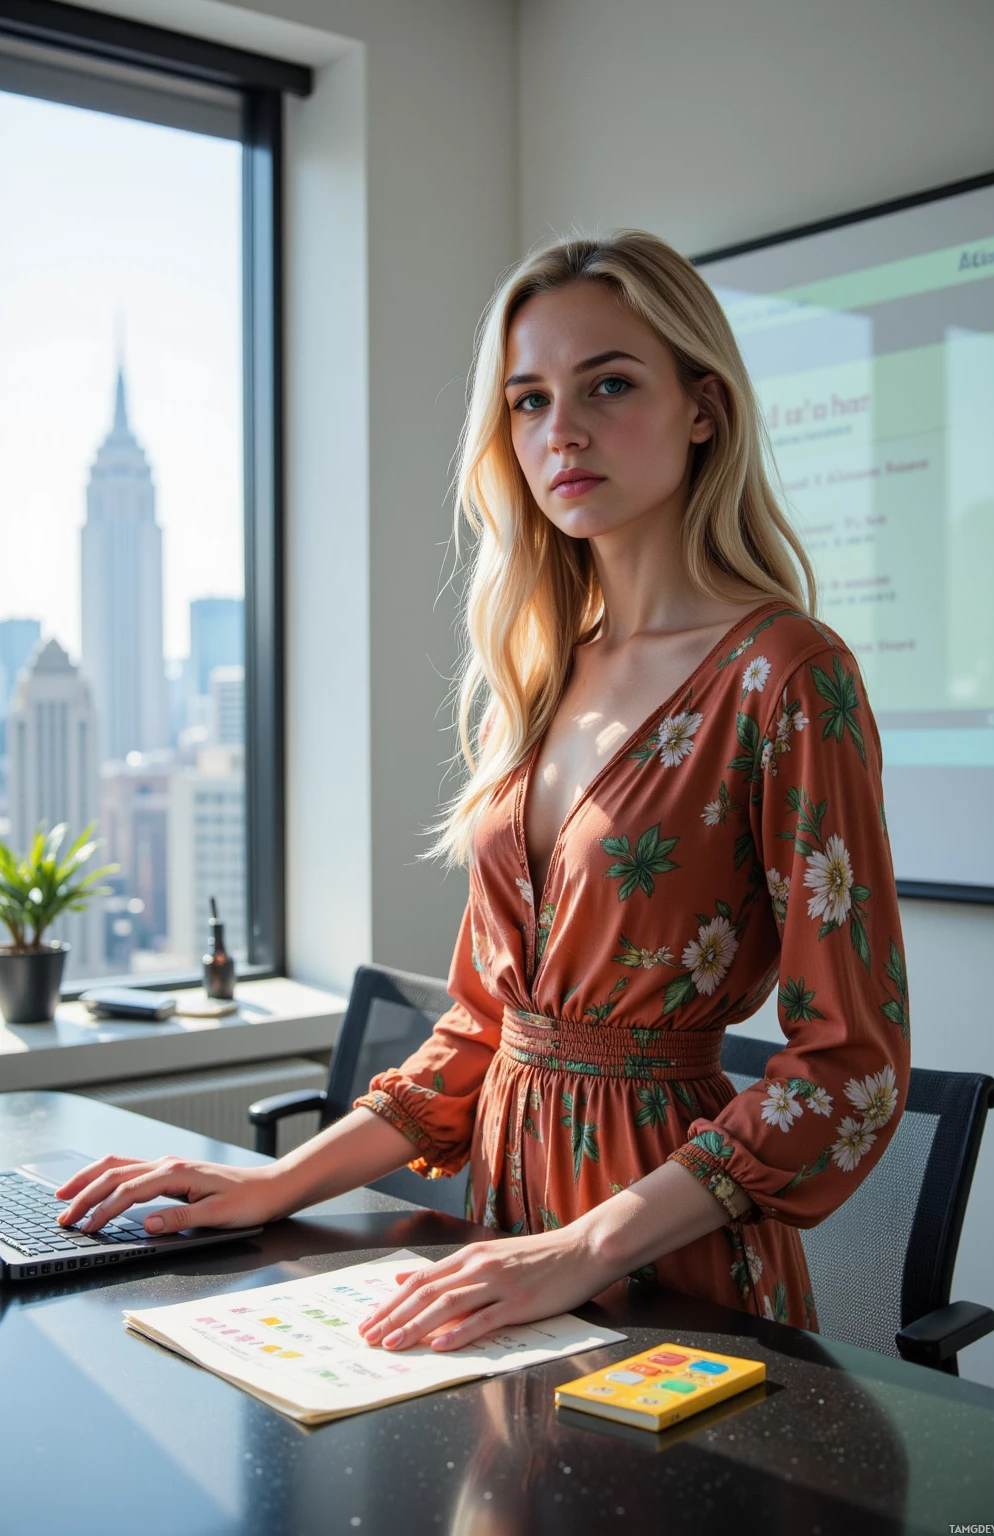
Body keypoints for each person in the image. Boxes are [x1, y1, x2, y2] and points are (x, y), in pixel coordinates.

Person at [57, 230, 910, 1354]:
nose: (562, 430)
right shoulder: (547, 669)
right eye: (527, 400)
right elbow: (482, 1031)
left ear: (703, 408)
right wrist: (269, 1185)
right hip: (498, 1239)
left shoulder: (786, 673)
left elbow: (848, 1067)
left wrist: (587, 1248)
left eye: (608, 384)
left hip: (662, 1249)